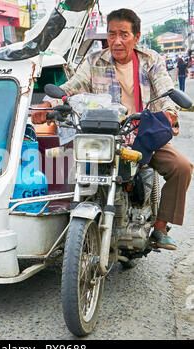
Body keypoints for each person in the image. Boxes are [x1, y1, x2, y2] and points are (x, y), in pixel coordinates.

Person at [32, 8, 193, 251]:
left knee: (182, 167)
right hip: (102, 136)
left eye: (124, 34)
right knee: (62, 166)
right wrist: (48, 104)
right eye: (112, 34)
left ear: (136, 37)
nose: (117, 41)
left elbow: (165, 89)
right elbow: (71, 88)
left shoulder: (151, 61)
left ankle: (160, 227)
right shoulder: (94, 60)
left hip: (143, 135)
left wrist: (169, 113)